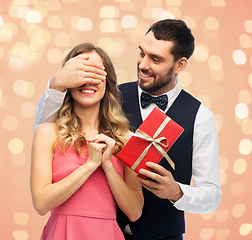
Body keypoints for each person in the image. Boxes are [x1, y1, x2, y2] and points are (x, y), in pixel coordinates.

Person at [33, 19, 222, 240]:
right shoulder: (106, 98)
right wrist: (57, 85)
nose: (143, 65)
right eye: (142, 53)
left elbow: (212, 193)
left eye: (155, 59)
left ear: (179, 65)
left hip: (163, 235)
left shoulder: (200, 116)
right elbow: (49, 127)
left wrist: (178, 192)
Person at [30, 43, 144, 240]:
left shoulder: (127, 140)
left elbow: (134, 211)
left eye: (96, 73)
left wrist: (107, 164)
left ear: (108, 83)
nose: (88, 81)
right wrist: (90, 165)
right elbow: (40, 203)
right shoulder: (47, 133)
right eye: (81, 73)